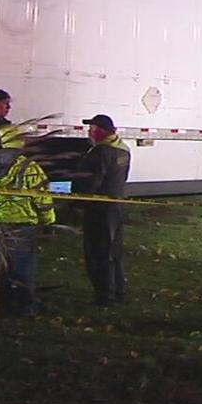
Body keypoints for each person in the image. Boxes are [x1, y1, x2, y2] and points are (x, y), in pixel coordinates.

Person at [0, 125, 55, 316]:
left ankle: (0, 302)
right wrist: (48, 223)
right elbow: (43, 199)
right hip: (22, 226)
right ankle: (24, 307)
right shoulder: (29, 168)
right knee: (22, 267)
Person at [76, 114, 131, 306]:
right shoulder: (123, 150)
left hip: (99, 208)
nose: (89, 132)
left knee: (98, 251)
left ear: (101, 131)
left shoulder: (101, 152)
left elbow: (90, 181)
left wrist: (77, 202)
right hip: (117, 205)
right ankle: (118, 291)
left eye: (92, 129)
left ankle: (105, 295)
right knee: (114, 251)